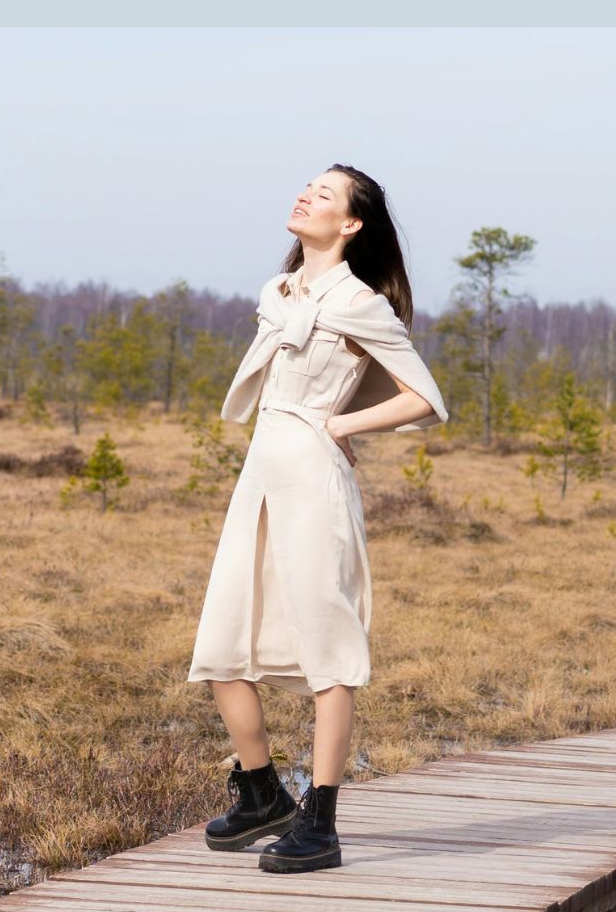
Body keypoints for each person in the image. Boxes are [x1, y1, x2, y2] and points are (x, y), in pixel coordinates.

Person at [186, 163, 449, 874]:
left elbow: (423, 397)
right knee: (221, 642)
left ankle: (321, 818)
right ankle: (262, 791)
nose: (306, 195)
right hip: (260, 477)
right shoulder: (278, 291)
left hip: (311, 480)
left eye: (324, 194)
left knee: (328, 648)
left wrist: (338, 426)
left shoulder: (360, 302)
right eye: (308, 187)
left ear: (352, 223)